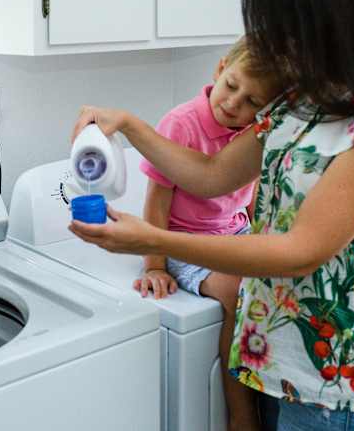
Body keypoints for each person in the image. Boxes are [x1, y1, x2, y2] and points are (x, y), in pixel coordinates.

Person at [69, 0, 354, 430]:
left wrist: (152, 241)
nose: (280, 51)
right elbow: (211, 174)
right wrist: (129, 125)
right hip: (277, 365)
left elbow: (301, 251)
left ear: (326, 28)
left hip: (342, 390)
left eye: (286, 37)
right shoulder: (304, 102)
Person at [136, 37, 285, 430]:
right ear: (220, 70)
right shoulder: (181, 124)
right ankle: (240, 415)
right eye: (232, 85)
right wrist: (155, 265)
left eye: (252, 101)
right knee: (239, 290)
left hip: (235, 233)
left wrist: (262, 237)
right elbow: (157, 200)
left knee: (279, 285)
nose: (235, 103)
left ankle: (269, 399)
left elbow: (248, 194)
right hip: (185, 244)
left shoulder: (256, 132)